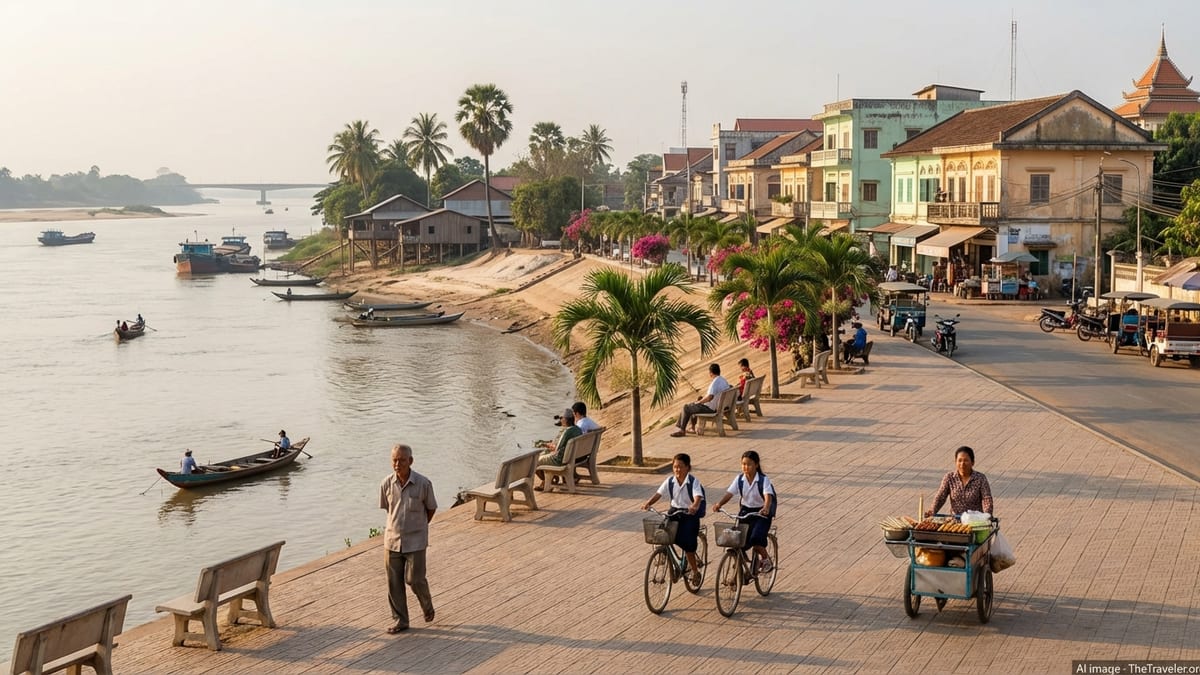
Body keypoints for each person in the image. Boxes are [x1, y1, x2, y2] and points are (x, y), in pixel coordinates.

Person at [379, 443, 437, 634]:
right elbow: (389, 510)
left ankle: (427, 605)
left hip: (416, 541)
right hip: (392, 540)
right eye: (394, 460)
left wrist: (418, 526)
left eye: (402, 460)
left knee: (415, 579)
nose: (397, 464)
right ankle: (401, 620)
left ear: (410, 461)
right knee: (393, 582)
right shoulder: (386, 483)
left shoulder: (423, 483)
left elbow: (431, 509)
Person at [642, 453, 705, 586]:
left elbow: (698, 496)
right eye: (675, 467)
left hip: (689, 515)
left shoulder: (693, 482)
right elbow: (659, 493)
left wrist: (694, 505)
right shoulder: (670, 481)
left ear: (688, 467)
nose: (677, 470)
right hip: (674, 512)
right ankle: (666, 557)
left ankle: (694, 571)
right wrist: (649, 503)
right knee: (662, 534)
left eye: (680, 467)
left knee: (688, 544)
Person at [712, 450, 775, 573]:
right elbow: (729, 493)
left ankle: (766, 559)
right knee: (737, 540)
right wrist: (719, 504)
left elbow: (768, 495)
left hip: (761, 513)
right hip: (746, 511)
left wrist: (766, 507)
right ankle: (741, 566)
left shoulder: (763, 480)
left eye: (749, 464)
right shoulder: (740, 479)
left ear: (756, 465)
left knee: (756, 539)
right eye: (743, 464)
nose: (746, 467)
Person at [925, 446, 994, 517]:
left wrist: (987, 515)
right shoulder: (949, 478)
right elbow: (940, 497)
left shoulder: (980, 478)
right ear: (955, 462)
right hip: (956, 521)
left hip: (974, 521)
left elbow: (987, 499)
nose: (962, 464)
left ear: (972, 462)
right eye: (960, 460)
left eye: (966, 460)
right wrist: (932, 510)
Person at [670, 363, 730, 437]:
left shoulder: (715, 383)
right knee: (693, 404)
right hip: (720, 406)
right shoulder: (723, 380)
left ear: (710, 373)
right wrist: (700, 401)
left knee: (686, 407)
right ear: (719, 371)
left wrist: (700, 402)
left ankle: (682, 430)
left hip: (711, 408)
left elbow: (710, 397)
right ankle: (691, 427)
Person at [534, 409, 582, 490]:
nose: (560, 420)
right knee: (543, 454)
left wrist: (546, 445)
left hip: (560, 460)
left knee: (534, 462)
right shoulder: (577, 429)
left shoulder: (567, 432)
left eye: (561, 418)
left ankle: (548, 481)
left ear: (565, 419)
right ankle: (550, 479)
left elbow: (556, 448)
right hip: (571, 457)